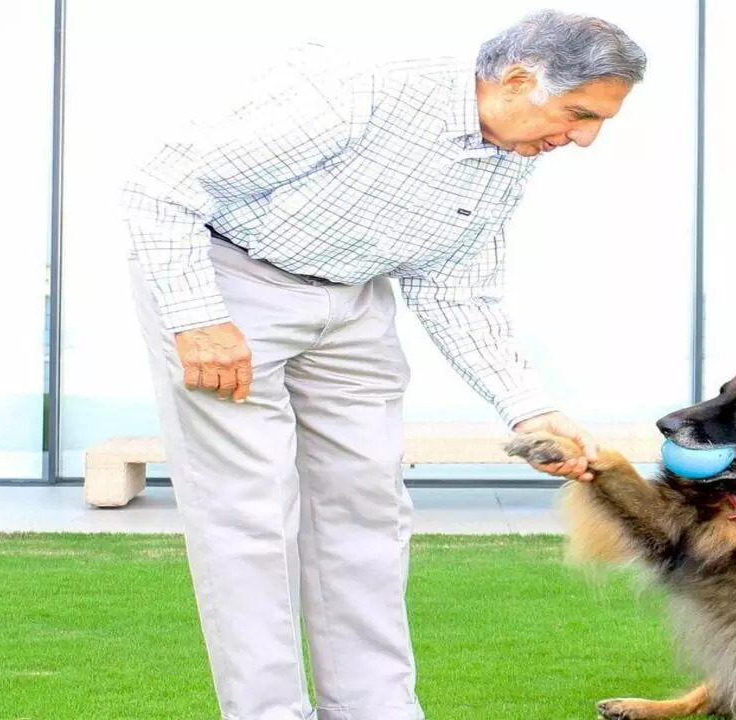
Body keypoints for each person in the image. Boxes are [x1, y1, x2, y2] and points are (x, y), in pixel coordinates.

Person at [119, 8, 646, 720]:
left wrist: (531, 407)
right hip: (228, 285)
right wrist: (198, 319)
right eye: (578, 113)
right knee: (249, 516)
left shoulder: (508, 162)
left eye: (597, 123)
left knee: (368, 510)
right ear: (518, 79)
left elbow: (458, 289)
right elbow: (163, 186)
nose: (582, 138)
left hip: (354, 301)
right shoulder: (360, 94)